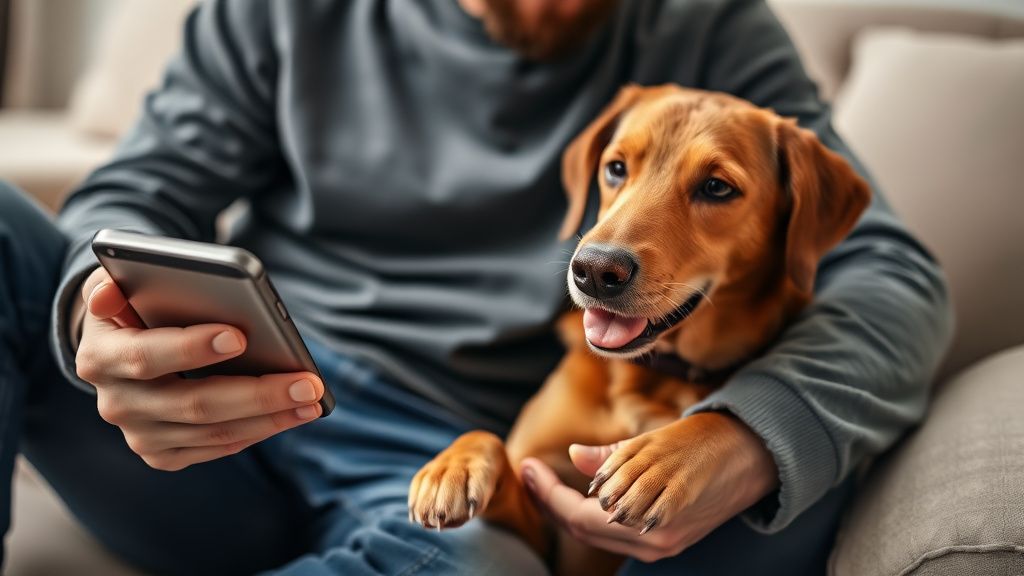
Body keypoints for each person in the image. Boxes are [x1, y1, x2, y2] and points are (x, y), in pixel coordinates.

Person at [0, 0, 953, 574]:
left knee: (470, 565)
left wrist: (749, 435)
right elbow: (135, 193)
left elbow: (890, 271)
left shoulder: (703, 29)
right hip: (224, 403)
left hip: (444, 462)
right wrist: (100, 309)